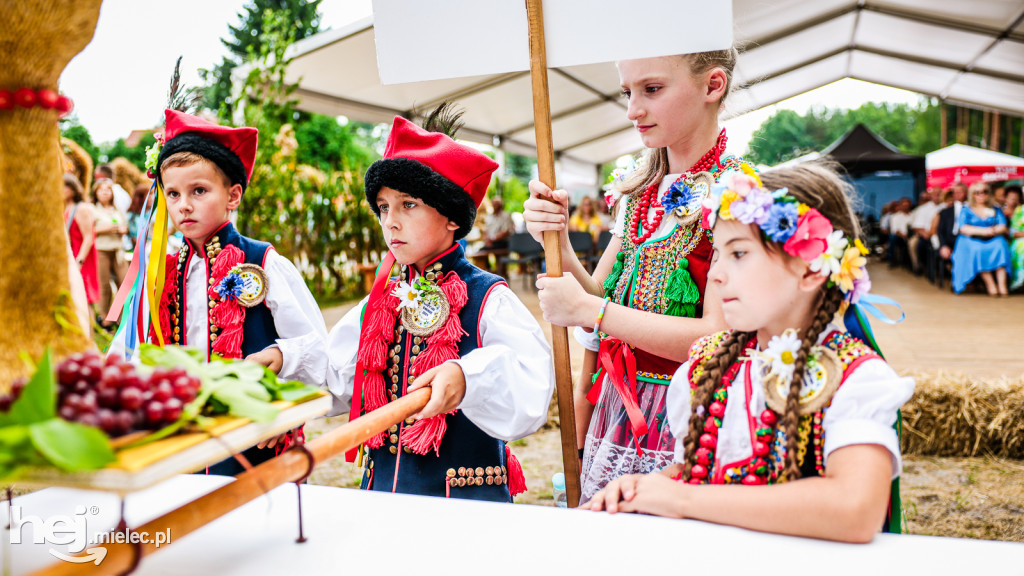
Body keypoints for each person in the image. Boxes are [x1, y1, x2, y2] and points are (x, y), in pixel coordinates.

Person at [589, 163, 914, 543]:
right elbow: (698, 469)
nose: (715, 275)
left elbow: (855, 510)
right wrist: (644, 488)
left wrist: (685, 498)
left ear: (810, 268)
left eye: (738, 254)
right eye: (718, 255)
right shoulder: (706, 367)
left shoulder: (854, 378)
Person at [526, 51, 743, 501]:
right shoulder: (638, 194)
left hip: (693, 415)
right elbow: (596, 303)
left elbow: (718, 337)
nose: (632, 110)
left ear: (713, 85)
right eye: (628, 92)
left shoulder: (739, 197)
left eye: (652, 89)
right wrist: (558, 240)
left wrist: (594, 311)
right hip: (617, 409)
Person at [326, 106, 553, 501]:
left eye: (407, 205)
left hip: (463, 508)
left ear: (451, 217)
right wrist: (280, 362)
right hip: (380, 497)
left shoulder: (488, 298)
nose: (390, 222)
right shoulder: (379, 301)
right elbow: (332, 374)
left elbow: (530, 391)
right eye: (383, 207)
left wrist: (469, 377)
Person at [145, 109, 328, 474]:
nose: (184, 204)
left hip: (256, 434)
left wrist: (280, 358)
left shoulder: (264, 262)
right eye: (173, 193)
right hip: (188, 439)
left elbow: (315, 343)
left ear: (233, 196)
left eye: (199, 190)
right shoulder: (162, 272)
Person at [951, 182, 1011, 296]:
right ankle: (990, 284)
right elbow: (963, 228)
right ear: (972, 195)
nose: (981, 195)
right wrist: (984, 231)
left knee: (1001, 245)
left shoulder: (995, 208)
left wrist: (992, 231)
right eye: (977, 193)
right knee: (977, 249)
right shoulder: (966, 209)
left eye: (984, 192)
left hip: (992, 237)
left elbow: (1003, 226)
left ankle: (1002, 285)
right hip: (972, 239)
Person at [91, 178, 129, 326]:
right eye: (102, 190)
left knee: (125, 283)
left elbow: (125, 225)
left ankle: (120, 317)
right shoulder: (92, 209)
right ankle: (105, 318)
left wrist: (122, 230)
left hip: (118, 251)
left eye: (108, 190)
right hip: (102, 251)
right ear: (96, 192)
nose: (105, 192)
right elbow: (88, 231)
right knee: (104, 285)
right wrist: (104, 229)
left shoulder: (117, 209)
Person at [63, 173, 100, 311]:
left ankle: (89, 332)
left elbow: (88, 237)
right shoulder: (65, 209)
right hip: (71, 258)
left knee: (84, 299)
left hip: (82, 259)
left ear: (72, 189)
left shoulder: (81, 208)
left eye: (63, 186)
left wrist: (79, 261)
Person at [908, 188, 941, 277]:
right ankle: (918, 266)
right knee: (914, 244)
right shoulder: (922, 209)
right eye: (935, 194)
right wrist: (925, 234)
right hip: (924, 234)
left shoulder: (946, 206)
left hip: (940, 235)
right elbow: (916, 226)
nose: (937, 196)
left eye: (939, 194)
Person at [1002, 185, 1024, 291]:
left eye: (1016, 198)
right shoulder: (1001, 212)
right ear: (1005, 198)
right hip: (1007, 240)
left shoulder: (1021, 211)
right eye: (1011, 198)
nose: (1013, 201)